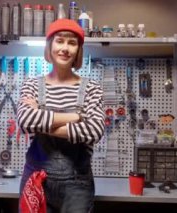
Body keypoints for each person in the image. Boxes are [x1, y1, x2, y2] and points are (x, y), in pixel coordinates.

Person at [17, 19, 105, 213]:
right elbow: (25, 121)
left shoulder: (91, 88)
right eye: (59, 41)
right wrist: (75, 116)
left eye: (72, 43)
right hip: (36, 179)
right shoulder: (31, 84)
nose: (65, 48)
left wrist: (41, 119)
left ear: (78, 51)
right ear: (50, 45)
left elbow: (95, 131)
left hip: (77, 185)